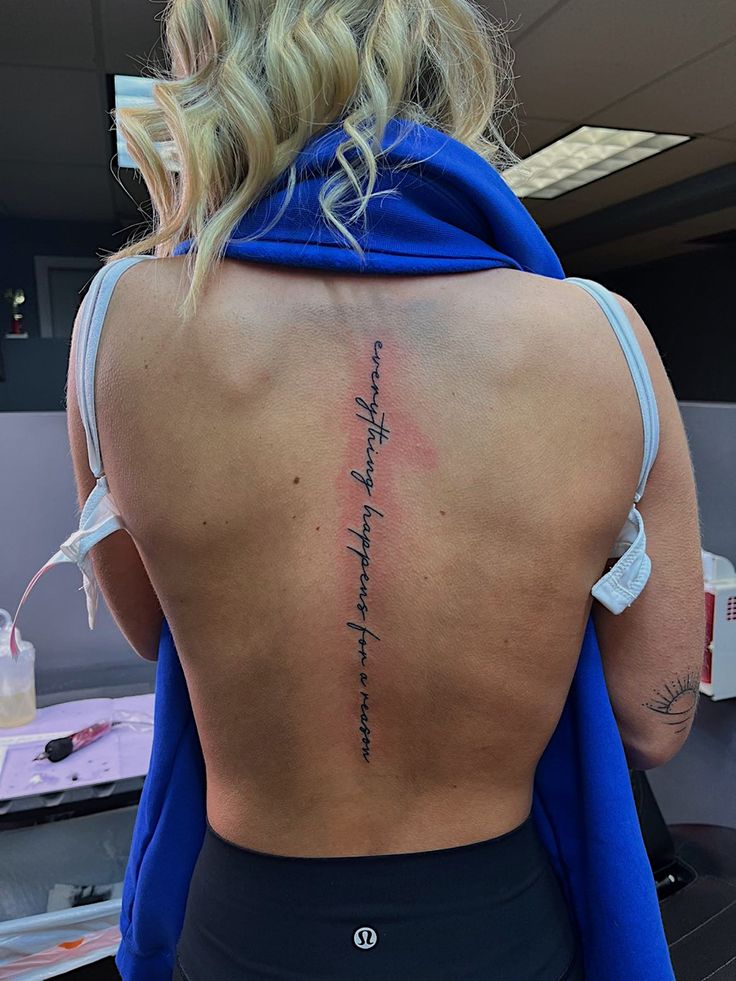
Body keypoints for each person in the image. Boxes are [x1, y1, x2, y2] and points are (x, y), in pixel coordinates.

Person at [11, 1, 704, 978]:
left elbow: (161, 633)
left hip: (249, 922)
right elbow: (653, 721)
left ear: (212, 67)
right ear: (447, 69)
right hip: (491, 926)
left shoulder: (118, 325)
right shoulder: (603, 340)